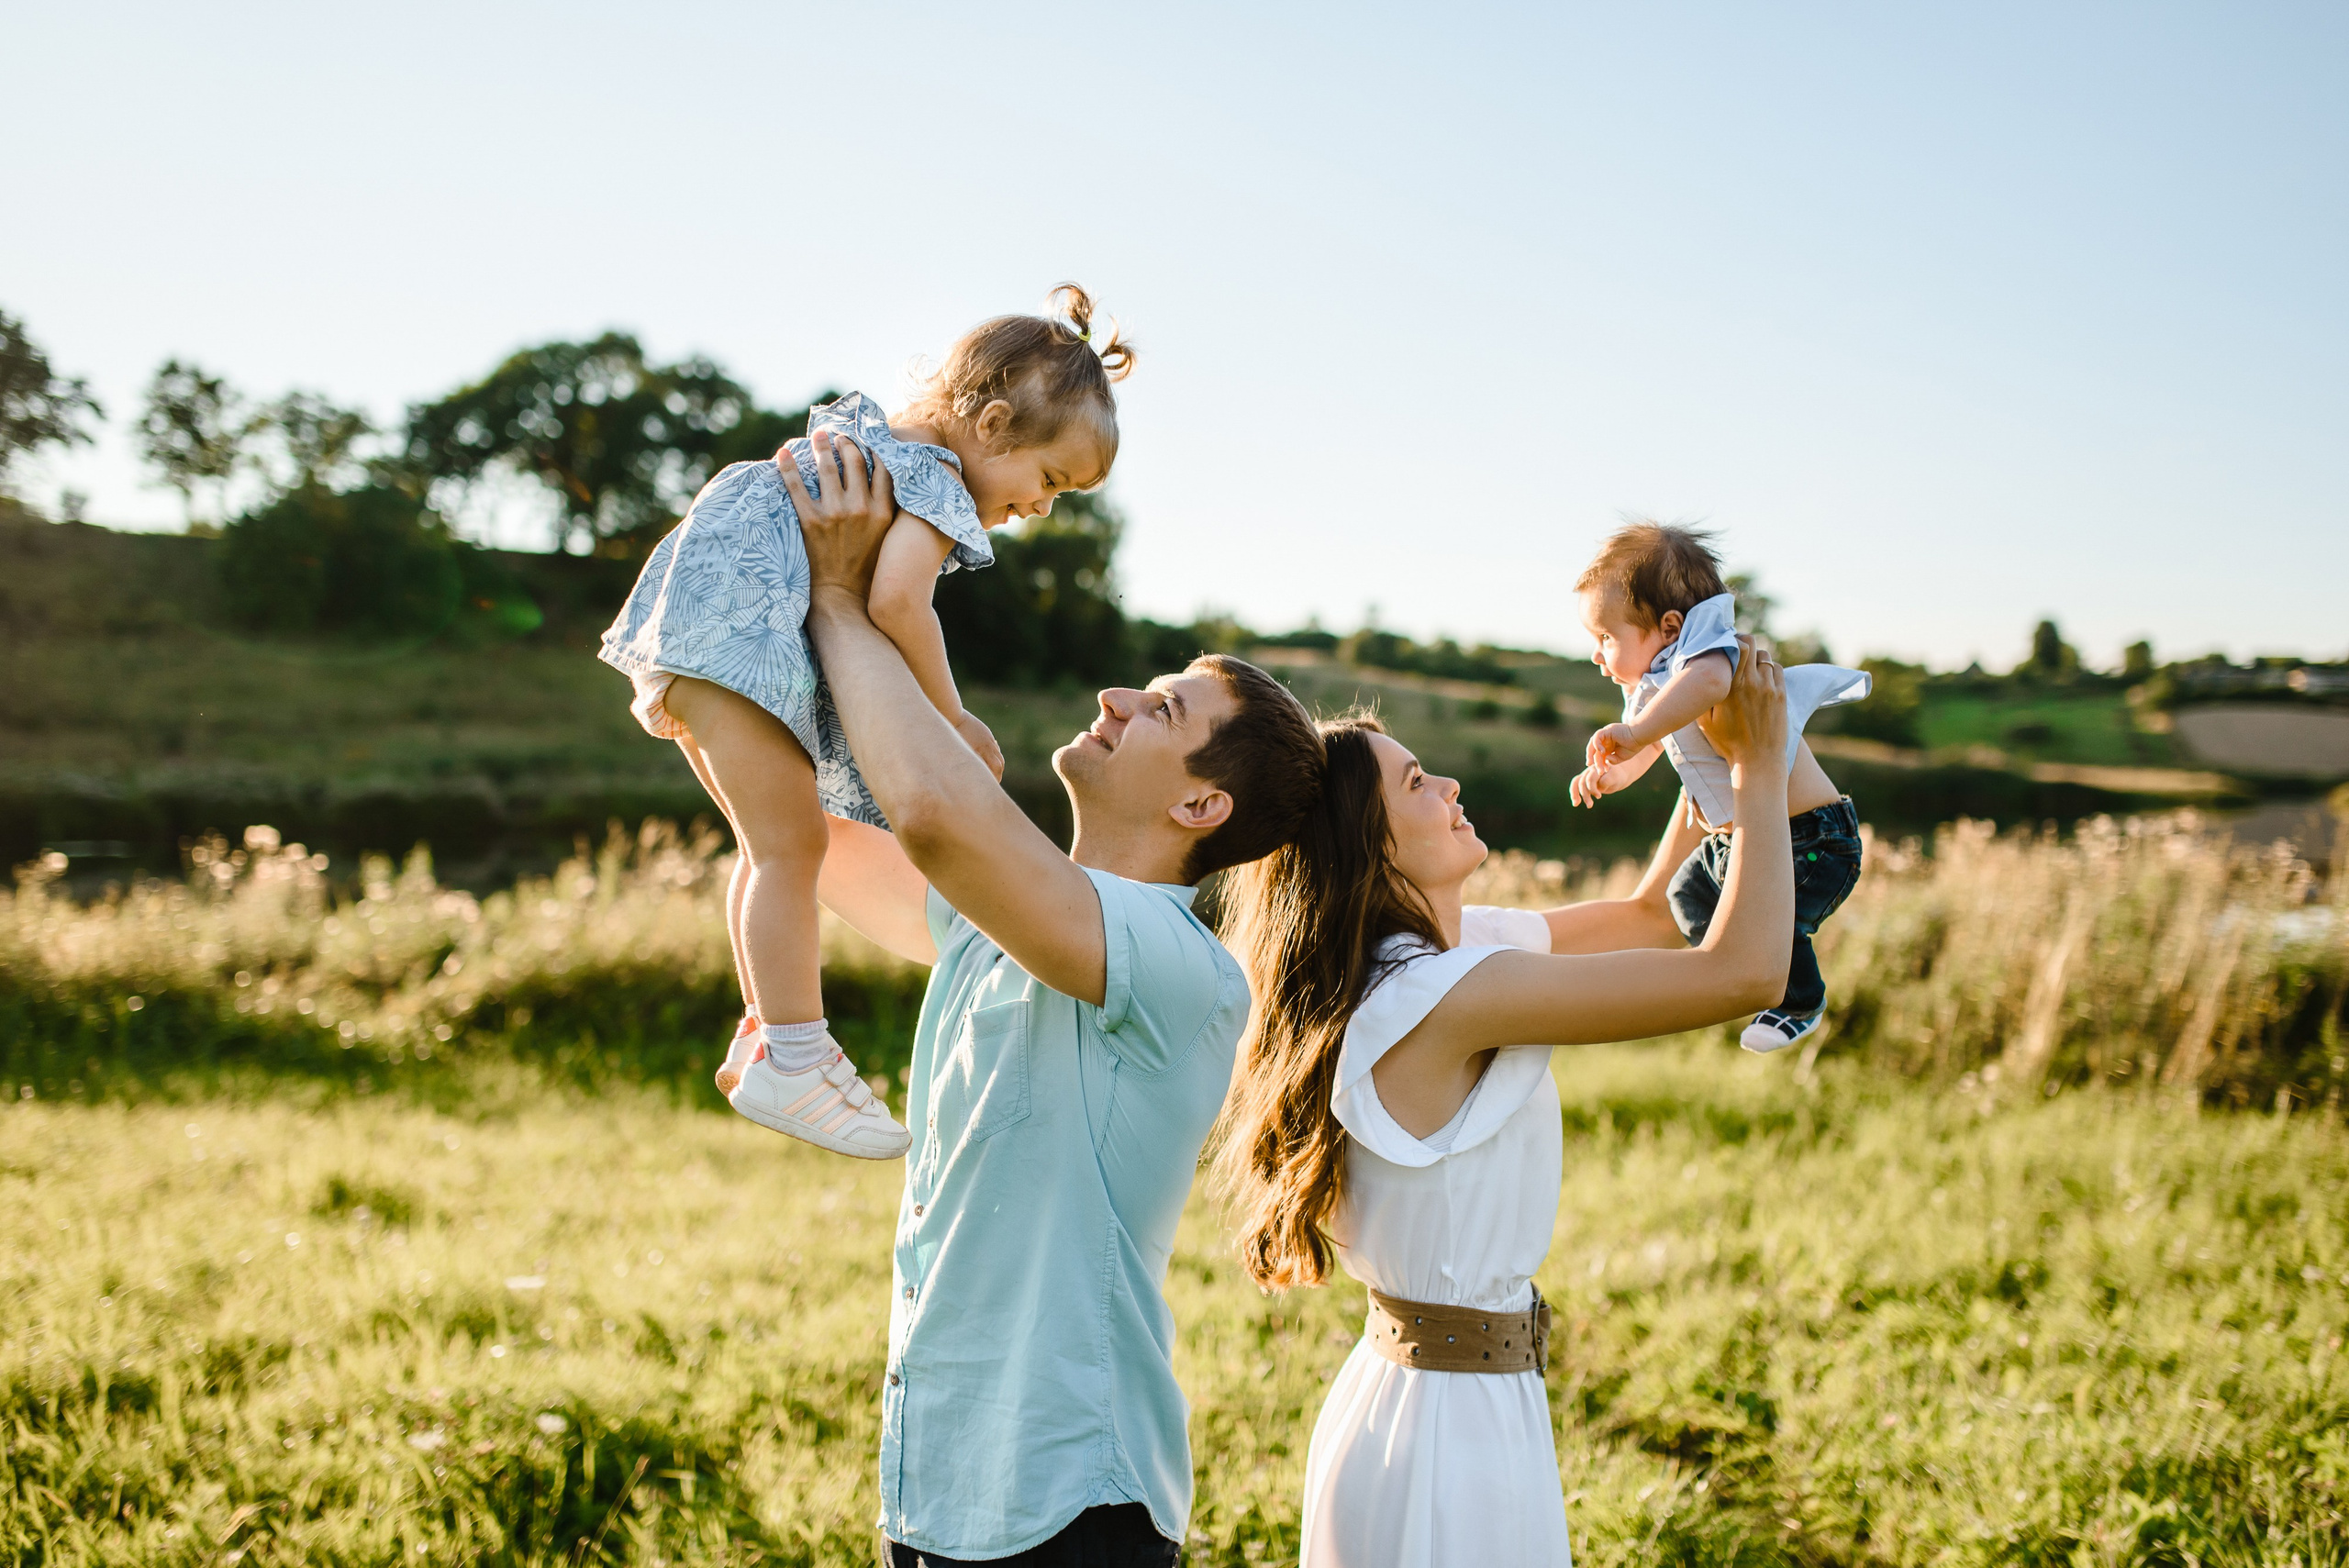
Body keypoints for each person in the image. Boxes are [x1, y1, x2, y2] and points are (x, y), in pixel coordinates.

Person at [783, 423, 1329, 1564]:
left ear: (1199, 809)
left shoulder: (1177, 967)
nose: (1118, 695)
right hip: (934, 1482)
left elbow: (935, 813)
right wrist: (719, 632)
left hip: (1075, 1502)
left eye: (1164, 711)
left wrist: (844, 603)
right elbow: (787, 835)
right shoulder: (998, 917)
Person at [1213, 651, 1796, 1568]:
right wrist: (1762, 766)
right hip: (1447, 1434)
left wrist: (1692, 739)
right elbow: (1746, 972)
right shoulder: (1438, 993)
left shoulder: (1441, 954)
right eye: (1415, 780)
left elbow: (1650, 917)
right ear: (1373, 843)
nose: (1448, 781)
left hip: (1450, 1400)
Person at [596, 286, 1133, 1157]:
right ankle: (797, 1052)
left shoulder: (874, 440)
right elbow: (896, 599)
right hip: (742, 630)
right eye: (1048, 481)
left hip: (698, 623)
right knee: (788, 848)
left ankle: (769, 1031)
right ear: (992, 424)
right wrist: (950, 716)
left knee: (777, 843)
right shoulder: (937, 481)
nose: (1041, 508)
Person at [1568, 520, 1871, 1051]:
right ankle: (1743, 978)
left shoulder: (1707, 655)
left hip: (1811, 839)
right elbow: (1656, 744)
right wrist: (1617, 769)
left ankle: (1800, 998)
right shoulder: (1656, 688)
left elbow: (1706, 687)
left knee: (1776, 921)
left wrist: (1636, 732)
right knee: (1685, 895)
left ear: (1667, 627)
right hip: (1734, 843)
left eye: (1606, 637)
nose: (1597, 654)